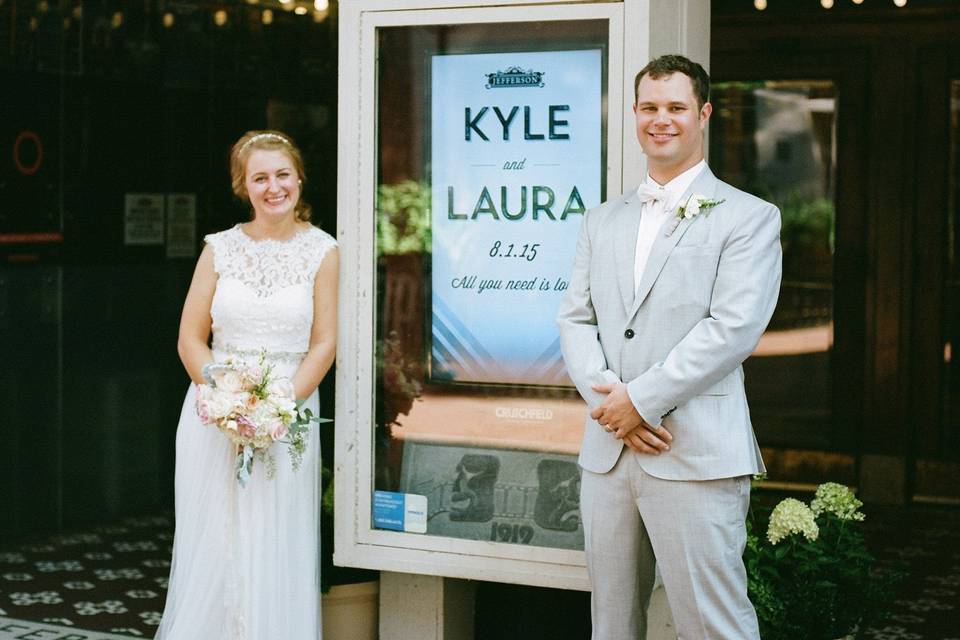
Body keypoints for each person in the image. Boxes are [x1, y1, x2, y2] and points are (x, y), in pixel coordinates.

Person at [556, 55, 781, 639]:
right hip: (608, 453)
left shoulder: (749, 218)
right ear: (635, 113)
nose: (662, 120)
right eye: (650, 107)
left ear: (702, 114)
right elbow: (576, 318)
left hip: (696, 451)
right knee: (612, 623)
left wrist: (643, 400)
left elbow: (733, 328)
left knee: (712, 623)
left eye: (676, 107)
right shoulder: (600, 220)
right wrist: (613, 407)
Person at [155, 130, 338, 639]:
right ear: (243, 186)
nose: (273, 187)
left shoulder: (324, 251)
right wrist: (225, 395)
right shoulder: (219, 249)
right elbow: (191, 338)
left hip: (287, 412)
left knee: (274, 537)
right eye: (260, 178)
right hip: (215, 412)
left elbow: (324, 343)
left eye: (282, 174)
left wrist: (278, 405)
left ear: (299, 177)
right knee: (214, 535)